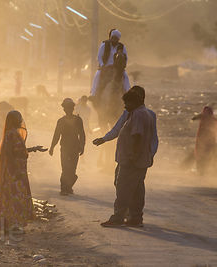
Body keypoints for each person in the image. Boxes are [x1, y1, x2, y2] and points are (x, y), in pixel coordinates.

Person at [100, 89, 155, 227]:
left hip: (132, 161)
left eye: (127, 103)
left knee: (123, 188)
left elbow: (137, 136)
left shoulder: (138, 115)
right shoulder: (140, 113)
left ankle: (118, 217)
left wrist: (132, 156)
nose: (125, 106)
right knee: (136, 190)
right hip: (138, 160)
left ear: (135, 101)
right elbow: (118, 130)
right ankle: (135, 218)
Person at [93, 85, 159, 186]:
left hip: (134, 159)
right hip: (127, 158)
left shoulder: (147, 115)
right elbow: (117, 129)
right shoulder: (127, 113)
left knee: (127, 186)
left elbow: (153, 137)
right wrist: (104, 139)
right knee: (129, 185)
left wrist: (150, 154)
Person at [0, 110, 35, 237]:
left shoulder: (10, 134)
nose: (21, 120)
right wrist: (15, 170)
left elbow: (17, 151)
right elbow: (11, 155)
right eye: (18, 118)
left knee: (9, 198)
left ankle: (7, 225)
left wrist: (32, 149)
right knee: (15, 198)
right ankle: (13, 225)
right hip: (15, 172)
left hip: (13, 172)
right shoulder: (12, 134)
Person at [49, 98, 86, 196]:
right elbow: (56, 135)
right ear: (64, 109)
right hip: (65, 148)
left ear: (72, 108)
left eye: (69, 107)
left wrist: (82, 146)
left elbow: (82, 134)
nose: (67, 109)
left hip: (75, 148)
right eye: (66, 108)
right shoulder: (61, 121)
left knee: (72, 170)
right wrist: (52, 147)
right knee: (65, 169)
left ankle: (67, 187)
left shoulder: (78, 120)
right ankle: (64, 188)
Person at [90, 29, 130, 100]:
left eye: (116, 38)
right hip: (105, 67)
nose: (114, 40)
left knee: (126, 76)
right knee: (97, 75)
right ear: (110, 37)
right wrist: (102, 65)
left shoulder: (122, 47)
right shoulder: (104, 45)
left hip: (117, 68)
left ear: (118, 39)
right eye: (113, 38)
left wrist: (122, 66)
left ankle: (128, 94)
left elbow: (125, 58)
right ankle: (93, 94)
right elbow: (99, 57)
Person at [192, 106, 217, 175]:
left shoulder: (203, 117)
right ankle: (207, 170)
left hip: (203, 141)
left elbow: (193, 118)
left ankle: (202, 171)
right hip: (208, 141)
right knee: (209, 155)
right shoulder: (213, 119)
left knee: (202, 155)